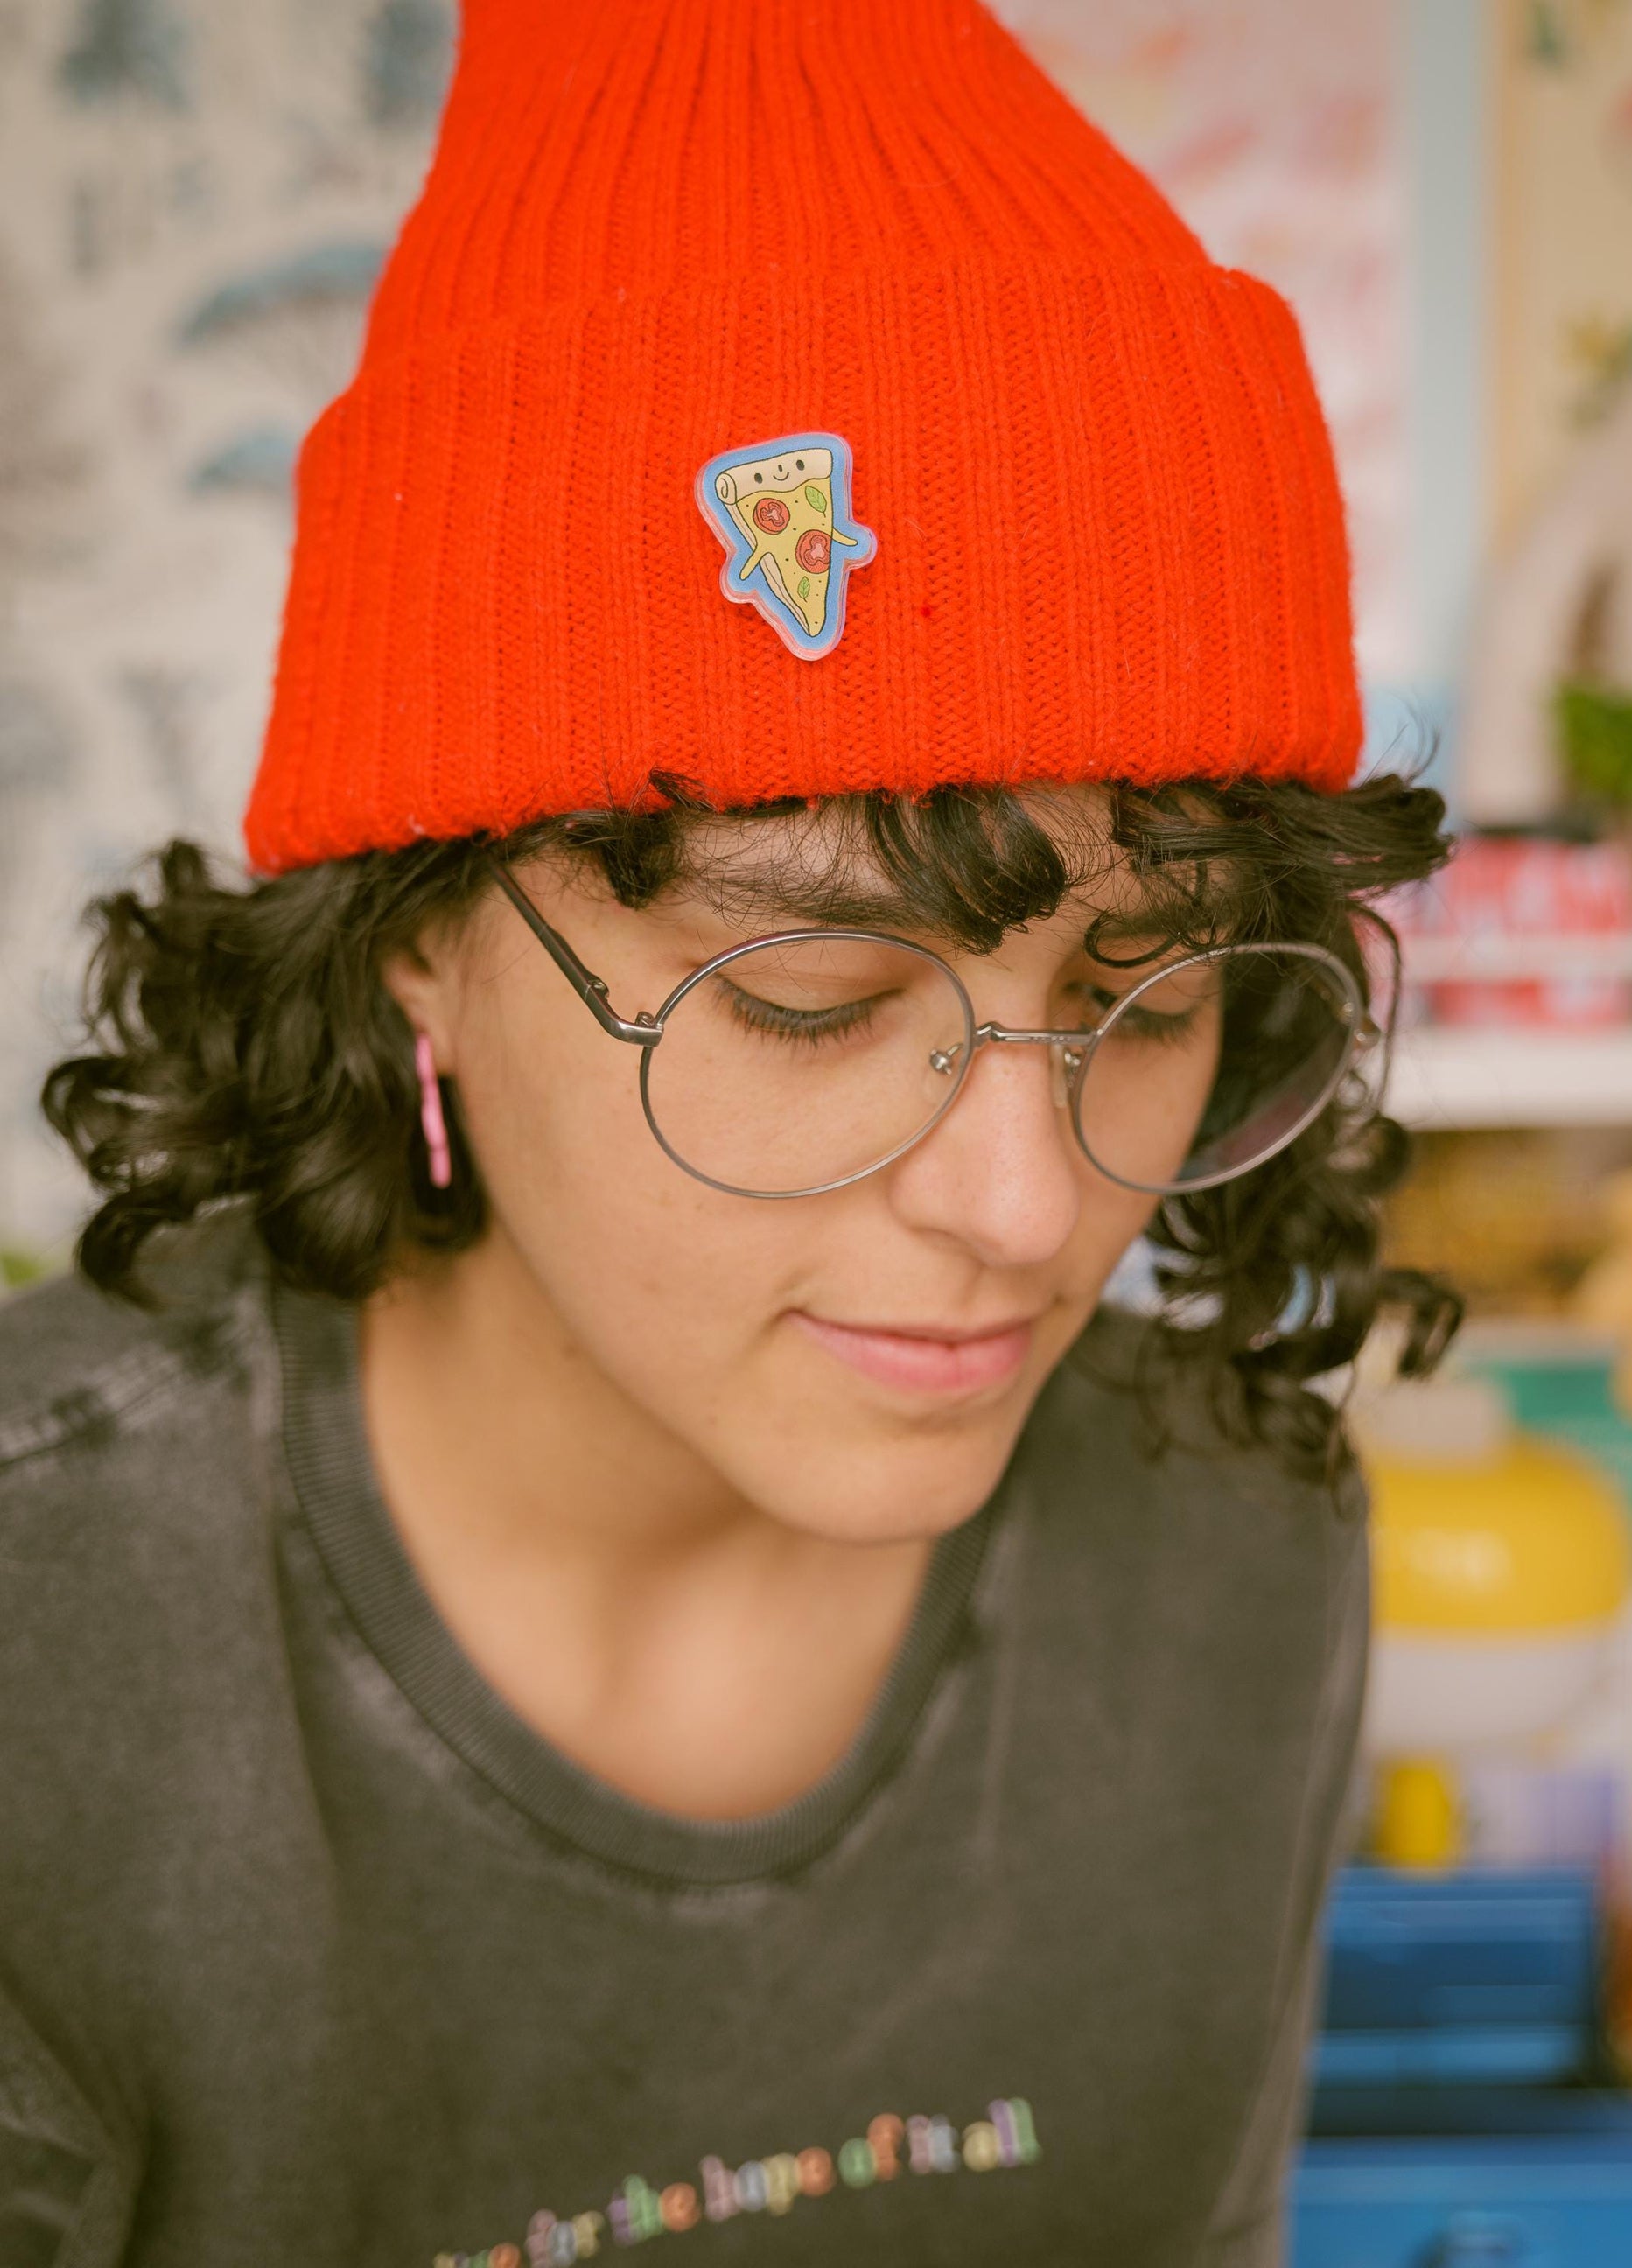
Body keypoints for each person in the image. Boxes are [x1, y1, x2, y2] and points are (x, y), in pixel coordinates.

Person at [0, 3, 1453, 2262]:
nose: (1023, 1207)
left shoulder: (1228, 1565)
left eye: (1146, 995)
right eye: (805, 1003)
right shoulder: (51, 1652)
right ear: (419, 945)